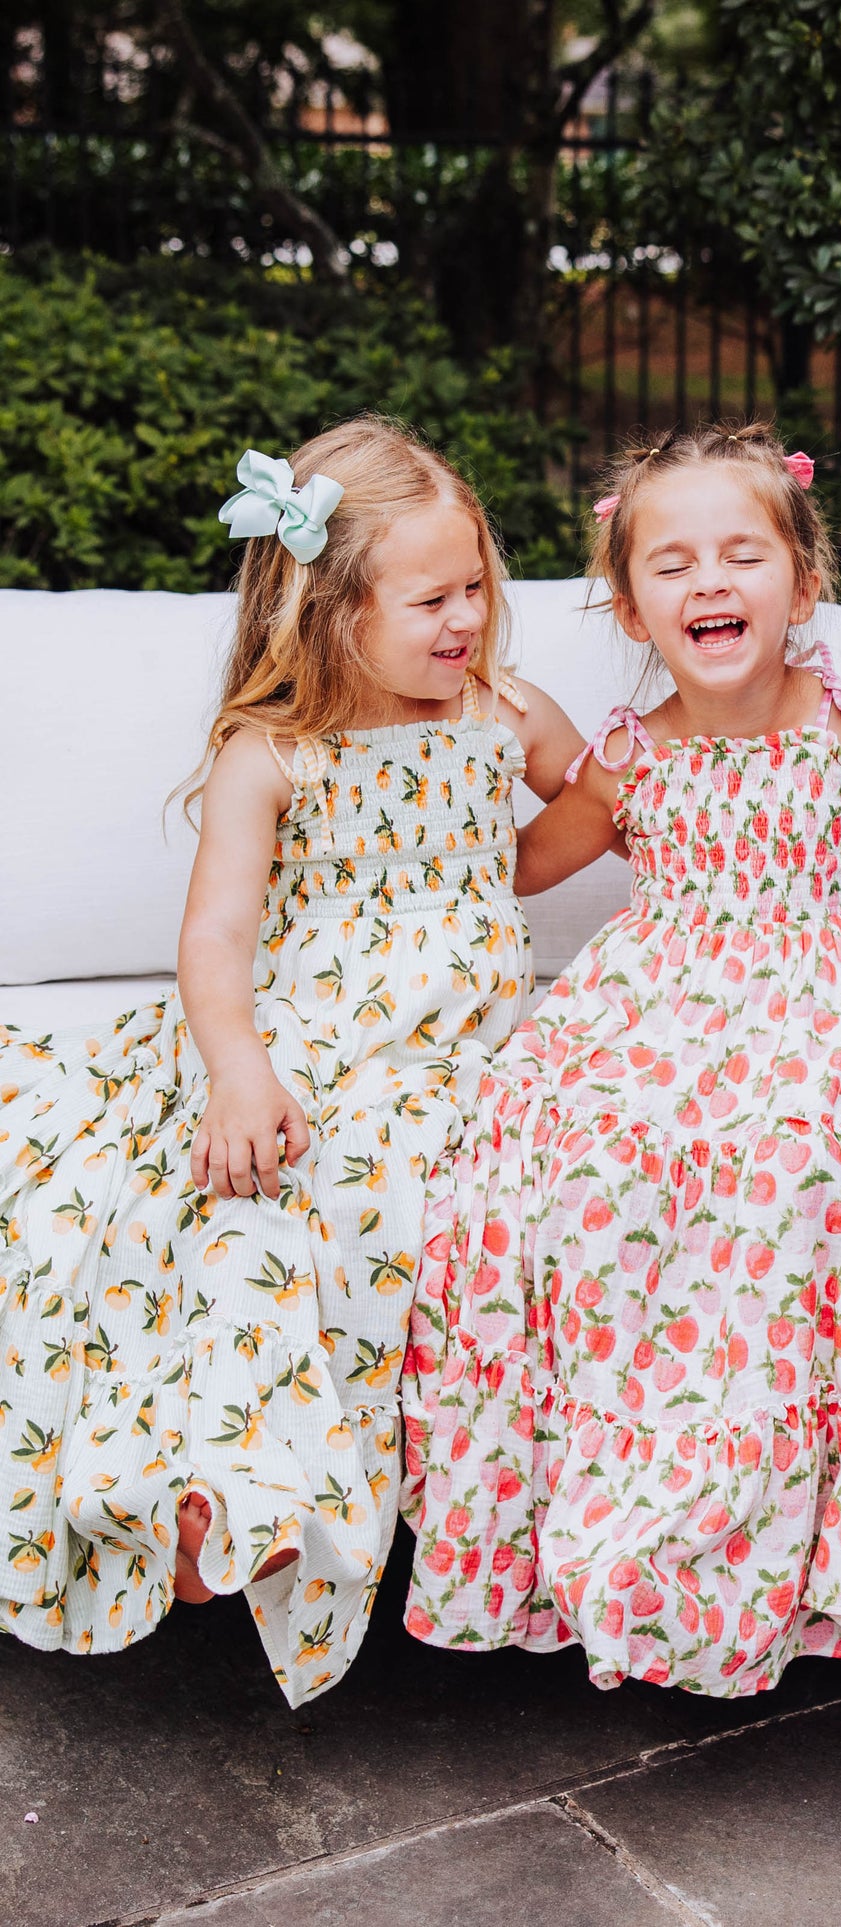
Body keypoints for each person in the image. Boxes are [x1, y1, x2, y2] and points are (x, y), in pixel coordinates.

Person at [0, 419, 580, 1704]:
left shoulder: (507, 715)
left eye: (478, 585)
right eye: (432, 597)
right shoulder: (271, 748)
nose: (467, 619)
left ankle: (268, 1497)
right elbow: (211, 939)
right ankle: (212, 1497)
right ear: (329, 610)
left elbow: (573, 820)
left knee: (385, 1199)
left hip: (458, 1059)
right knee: (230, 1208)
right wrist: (239, 1069)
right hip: (301, 1039)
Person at [401, 422, 841, 1693]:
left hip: (815, 1014)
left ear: (801, 582)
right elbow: (500, 872)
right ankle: (620, 1530)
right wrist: (423, 754)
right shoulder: (625, 757)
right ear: (628, 604)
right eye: (671, 564)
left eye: (740, 555)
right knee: (557, 1163)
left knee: (786, 1176)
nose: (708, 583)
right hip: (649, 1004)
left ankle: (768, 1540)